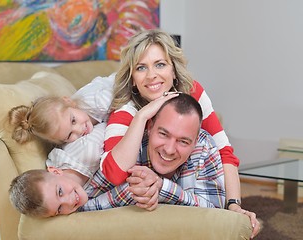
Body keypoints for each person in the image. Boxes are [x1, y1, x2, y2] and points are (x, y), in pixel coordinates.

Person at [99, 29, 260, 238]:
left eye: (160, 64)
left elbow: (225, 152)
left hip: (184, 184)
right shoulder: (125, 110)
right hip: (138, 193)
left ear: (173, 70)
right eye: (141, 67)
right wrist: (142, 117)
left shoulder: (192, 91)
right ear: (132, 79)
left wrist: (234, 205)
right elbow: (114, 174)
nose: (151, 75)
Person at [9, 94, 225, 218]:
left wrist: (160, 187)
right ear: (149, 127)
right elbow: (118, 189)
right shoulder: (114, 152)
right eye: (163, 134)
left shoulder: (203, 145)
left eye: (183, 141)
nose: (169, 149)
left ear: (195, 141)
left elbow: (215, 214)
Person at [8, 72, 115, 186]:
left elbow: (126, 95)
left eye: (73, 120)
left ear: (68, 101)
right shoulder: (70, 145)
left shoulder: (97, 101)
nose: (79, 130)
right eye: (69, 135)